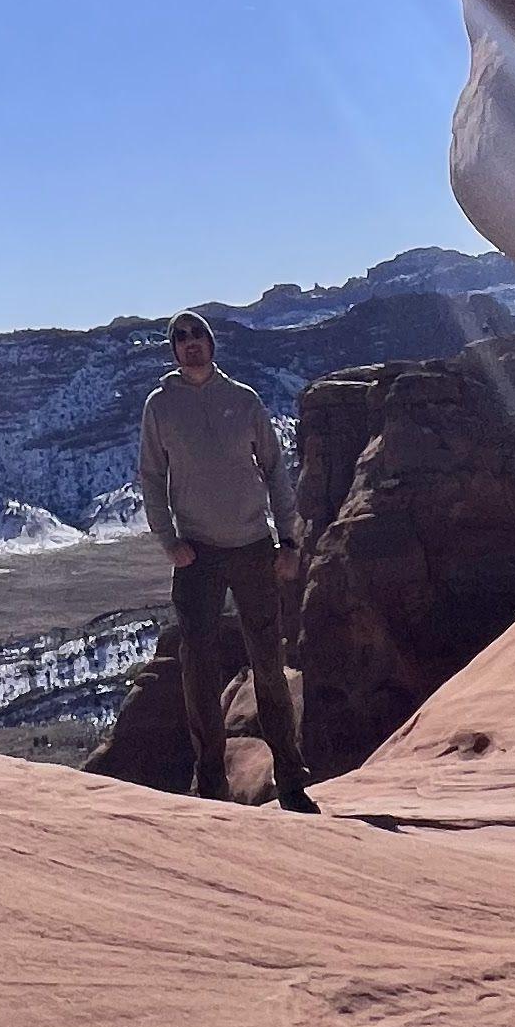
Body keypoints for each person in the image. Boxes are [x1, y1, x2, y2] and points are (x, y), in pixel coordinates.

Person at [136, 312, 316, 812]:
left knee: (268, 665)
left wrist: (290, 541)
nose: (190, 344)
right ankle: (212, 787)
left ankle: (291, 778)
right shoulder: (161, 406)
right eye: (180, 338)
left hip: (254, 547)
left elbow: (277, 471)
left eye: (198, 336)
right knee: (199, 672)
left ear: (212, 344)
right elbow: (151, 477)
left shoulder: (244, 400)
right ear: (172, 349)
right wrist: (168, 541)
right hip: (197, 554)